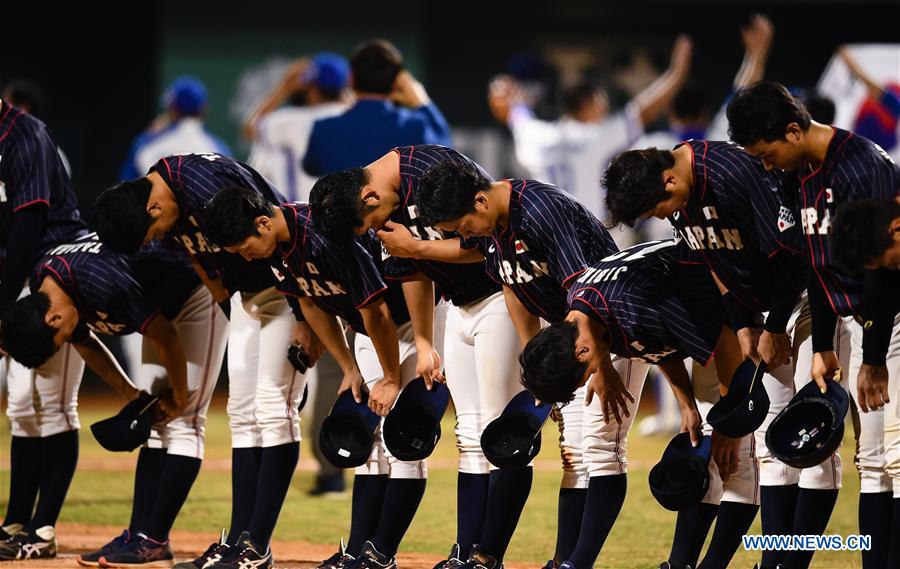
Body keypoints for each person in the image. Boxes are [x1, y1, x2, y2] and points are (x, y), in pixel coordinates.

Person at [390, 155, 657, 569]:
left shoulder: (540, 211)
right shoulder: (493, 223)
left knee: (598, 451)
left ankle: (575, 562)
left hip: (606, 331)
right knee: (573, 452)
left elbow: (587, 295)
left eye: (462, 226)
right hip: (568, 338)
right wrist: (537, 367)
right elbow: (513, 285)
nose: (464, 235)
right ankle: (564, 561)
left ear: (479, 201)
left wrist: (601, 366)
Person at [604, 136, 846, 569]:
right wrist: (744, 325)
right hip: (760, 309)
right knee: (774, 447)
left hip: (812, 294)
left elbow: (797, 253)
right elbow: (717, 265)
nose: (661, 216)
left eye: (656, 207)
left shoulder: (733, 173)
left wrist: (769, 326)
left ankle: (793, 565)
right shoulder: (682, 194)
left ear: (669, 178)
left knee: (814, 437)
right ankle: (776, 561)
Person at [91, 153, 317, 569]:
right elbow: (198, 257)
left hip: (288, 293)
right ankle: (237, 541)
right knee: (242, 415)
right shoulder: (166, 198)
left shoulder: (205, 184)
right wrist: (229, 306)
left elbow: (282, 236)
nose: (156, 238)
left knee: (273, 411)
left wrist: (305, 315)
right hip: (247, 298)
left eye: (152, 230)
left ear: (153, 208)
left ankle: (256, 548)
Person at [309, 145, 523, 569]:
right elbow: (411, 271)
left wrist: (416, 250)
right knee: (469, 435)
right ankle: (464, 552)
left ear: (369, 199)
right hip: (458, 307)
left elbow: (490, 243)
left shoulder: (433, 172)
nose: (373, 231)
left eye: (368, 224)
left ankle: (485, 554)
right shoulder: (383, 198)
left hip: (502, 295)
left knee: (495, 433)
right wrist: (425, 341)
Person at [204, 187, 433, 569]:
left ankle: (381, 554)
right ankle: (360, 550)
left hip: (411, 321)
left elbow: (377, 311)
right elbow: (310, 302)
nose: (245, 257)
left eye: (244, 247)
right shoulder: (280, 246)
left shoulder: (325, 236)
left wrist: (391, 377)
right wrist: (348, 367)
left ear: (263, 223)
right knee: (369, 444)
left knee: (402, 439)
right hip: (367, 330)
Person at [727, 80, 900, 568]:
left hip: (888, 314)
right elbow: (816, 264)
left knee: (895, 454)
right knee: (873, 461)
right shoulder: (801, 171)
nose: (765, 164)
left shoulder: (865, 167)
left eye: (766, 152)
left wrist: (871, 357)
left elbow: (884, 269)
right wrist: (822, 342)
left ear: (793, 130)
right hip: (853, 315)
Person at [519, 239, 753, 569]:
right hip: (703, 306)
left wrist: (732, 419)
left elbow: (726, 344)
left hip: (750, 299)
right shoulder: (579, 311)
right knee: (708, 449)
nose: (589, 379)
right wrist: (686, 403)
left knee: (741, 453)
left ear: (582, 351)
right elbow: (658, 342)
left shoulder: (637, 303)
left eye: (583, 375)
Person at [0, 234, 226, 566]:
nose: (66, 342)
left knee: (184, 420)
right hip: (160, 300)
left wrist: (179, 396)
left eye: (59, 338)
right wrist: (131, 393)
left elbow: (165, 336)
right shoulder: (46, 287)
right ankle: (138, 536)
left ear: (53, 319)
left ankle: (153, 541)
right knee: (152, 419)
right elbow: (85, 341)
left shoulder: (101, 281)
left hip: (195, 291)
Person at [486, 36, 692, 247]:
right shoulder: (595, 137)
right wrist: (677, 73)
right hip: (591, 238)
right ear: (588, 102)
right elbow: (642, 112)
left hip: (548, 237)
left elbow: (515, 114)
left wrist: (507, 93)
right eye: (600, 101)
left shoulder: (539, 135)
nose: (604, 108)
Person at [0, 95, 88, 560]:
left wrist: (3, 303)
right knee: (20, 403)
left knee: (53, 403)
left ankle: (44, 528)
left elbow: (28, 224)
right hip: (19, 274)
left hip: (57, 272)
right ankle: (16, 520)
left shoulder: (24, 134)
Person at [303, 39, 451, 177]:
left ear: (351, 78)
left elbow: (311, 167)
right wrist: (423, 103)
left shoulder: (323, 129)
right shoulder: (416, 126)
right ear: (397, 83)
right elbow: (447, 157)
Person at [244, 53, 349, 203]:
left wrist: (284, 87)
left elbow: (250, 129)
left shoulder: (289, 121)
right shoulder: (355, 119)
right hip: (343, 218)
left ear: (311, 89)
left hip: (297, 217)